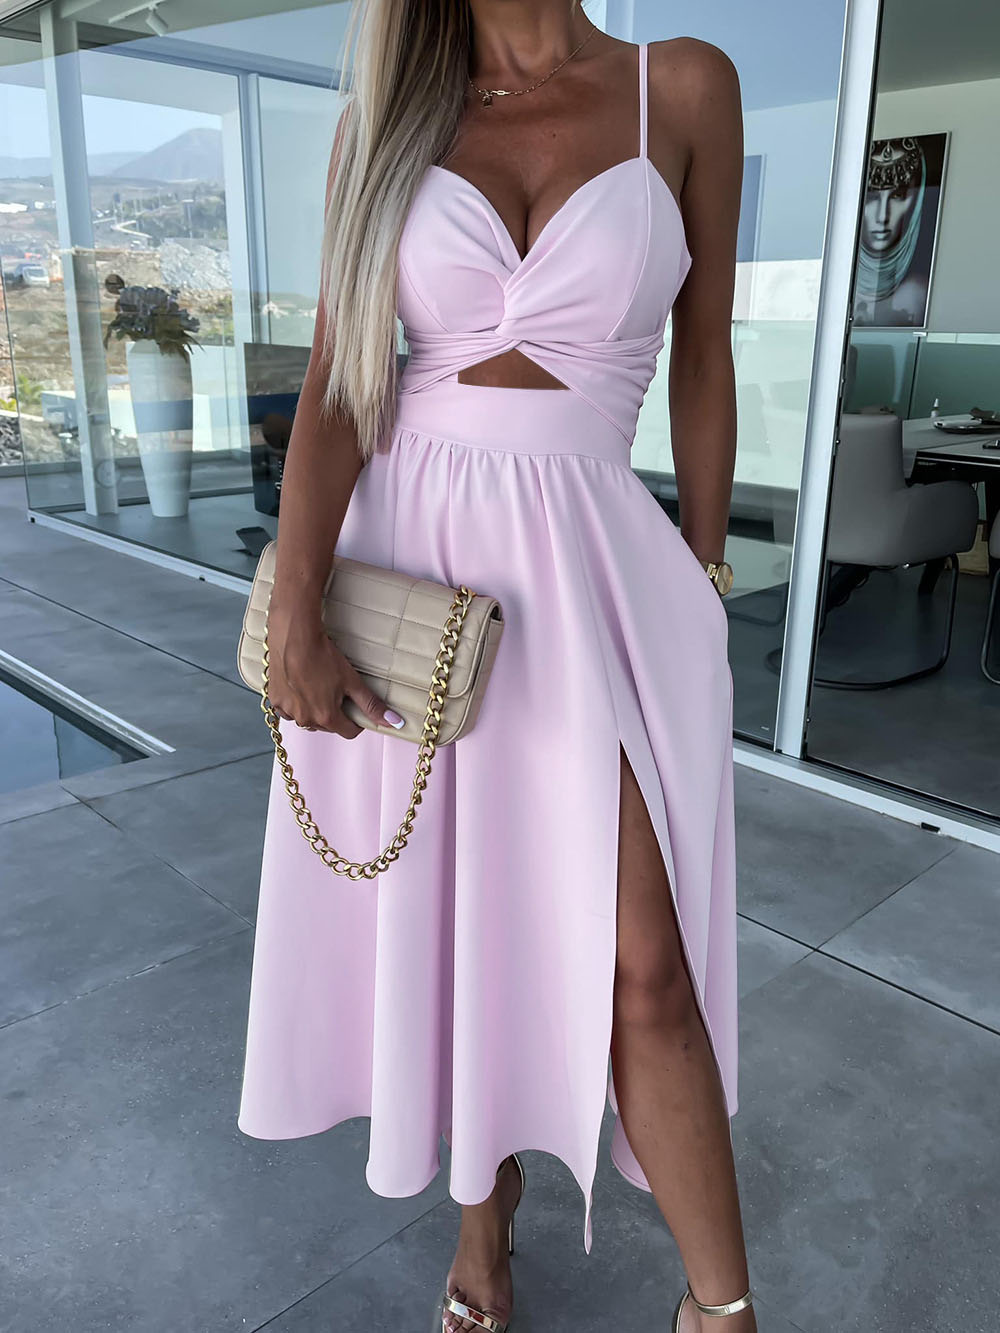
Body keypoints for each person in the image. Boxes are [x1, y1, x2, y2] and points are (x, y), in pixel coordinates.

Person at [237, 4, 750, 1331]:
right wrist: (296, 604)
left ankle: (722, 1307)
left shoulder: (684, 88)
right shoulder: (387, 119)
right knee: (464, 914)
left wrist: (703, 578)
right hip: (418, 557)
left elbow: (705, 352)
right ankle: (485, 1214)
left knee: (646, 962)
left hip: (594, 575)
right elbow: (341, 377)